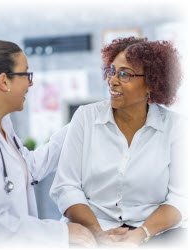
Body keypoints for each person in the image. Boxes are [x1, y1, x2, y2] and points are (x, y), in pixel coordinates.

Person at [0, 40, 98, 248]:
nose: (30, 83)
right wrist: (62, 232)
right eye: (26, 74)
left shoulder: (1, 124)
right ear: (4, 81)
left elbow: (29, 167)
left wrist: (80, 123)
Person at [50, 37, 188, 247]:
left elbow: (180, 198)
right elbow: (66, 187)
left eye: (124, 74)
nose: (112, 80)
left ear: (152, 83)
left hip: (154, 234)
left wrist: (141, 233)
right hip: (92, 231)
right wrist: (98, 234)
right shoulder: (85, 118)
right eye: (111, 71)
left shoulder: (176, 128)